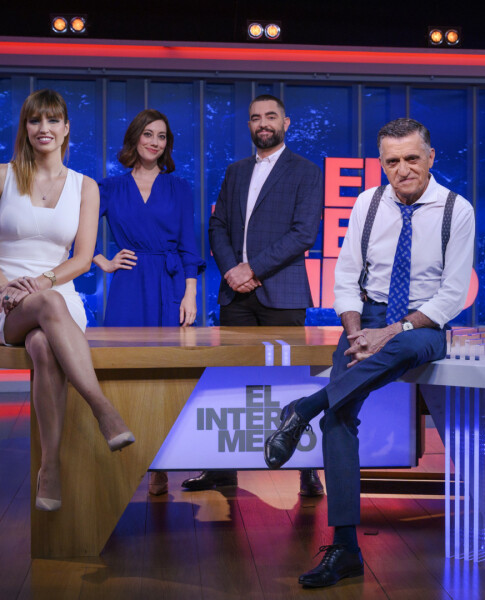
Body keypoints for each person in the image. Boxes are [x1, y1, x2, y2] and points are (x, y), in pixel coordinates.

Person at [264, 118, 475, 588]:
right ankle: (345, 549)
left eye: (412, 159)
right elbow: (346, 275)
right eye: (392, 161)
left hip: (423, 323)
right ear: (382, 163)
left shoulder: (456, 210)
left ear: (430, 158)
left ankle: (304, 408)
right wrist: (357, 330)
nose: (403, 169)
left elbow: (452, 295)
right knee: (339, 417)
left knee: (401, 347)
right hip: (370, 316)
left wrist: (391, 332)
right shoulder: (367, 202)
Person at [0, 89, 134, 512]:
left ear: (66, 128)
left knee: (43, 343)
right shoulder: (3, 176)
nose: (44, 128)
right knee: (48, 306)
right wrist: (7, 287)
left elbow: (82, 257)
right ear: (25, 128)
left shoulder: (85, 186)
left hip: (57, 292)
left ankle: (50, 467)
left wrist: (43, 281)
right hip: (5, 299)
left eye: (53, 120)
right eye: (35, 120)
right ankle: (102, 408)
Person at [196, 94, 325, 496]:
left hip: (282, 294)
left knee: (292, 381)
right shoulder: (235, 171)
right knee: (230, 380)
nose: (263, 123)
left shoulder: (306, 171)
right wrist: (232, 271)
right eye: (255, 118)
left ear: (286, 123)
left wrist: (251, 269)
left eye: (271, 116)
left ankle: (306, 467)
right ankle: (222, 469)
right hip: (235, 295)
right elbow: (217, 226)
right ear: (249, 125)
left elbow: (304, 233)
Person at [93, 109, 204, 495]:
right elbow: (75, 233)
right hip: (128, 285)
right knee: (121, 371)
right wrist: (102, 260)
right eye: (148, 134)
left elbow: (189, 245)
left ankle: (159, 464)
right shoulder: (109, 187)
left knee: (166, 375)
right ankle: (121, 458)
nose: (155, 142)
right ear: (134, 138)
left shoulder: (179, 187)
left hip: (169, 286)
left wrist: (190, 293)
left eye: (162, 136)